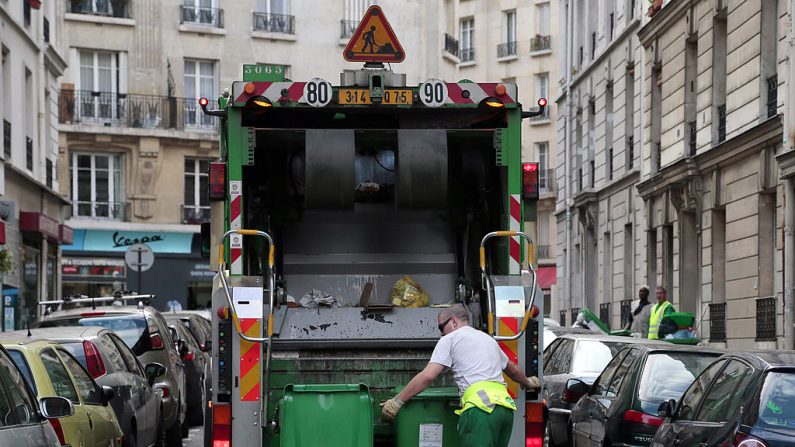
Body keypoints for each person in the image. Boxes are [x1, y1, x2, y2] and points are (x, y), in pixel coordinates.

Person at [381, 304, 541, 447]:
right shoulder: (488, 339)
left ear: (453, 321)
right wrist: (528, 382)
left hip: (480, 411)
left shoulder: (450, 339)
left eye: (441, 327)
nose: (441, 334)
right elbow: (512, 369)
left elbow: (428, 376)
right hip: (505, 411)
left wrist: (397, 402)